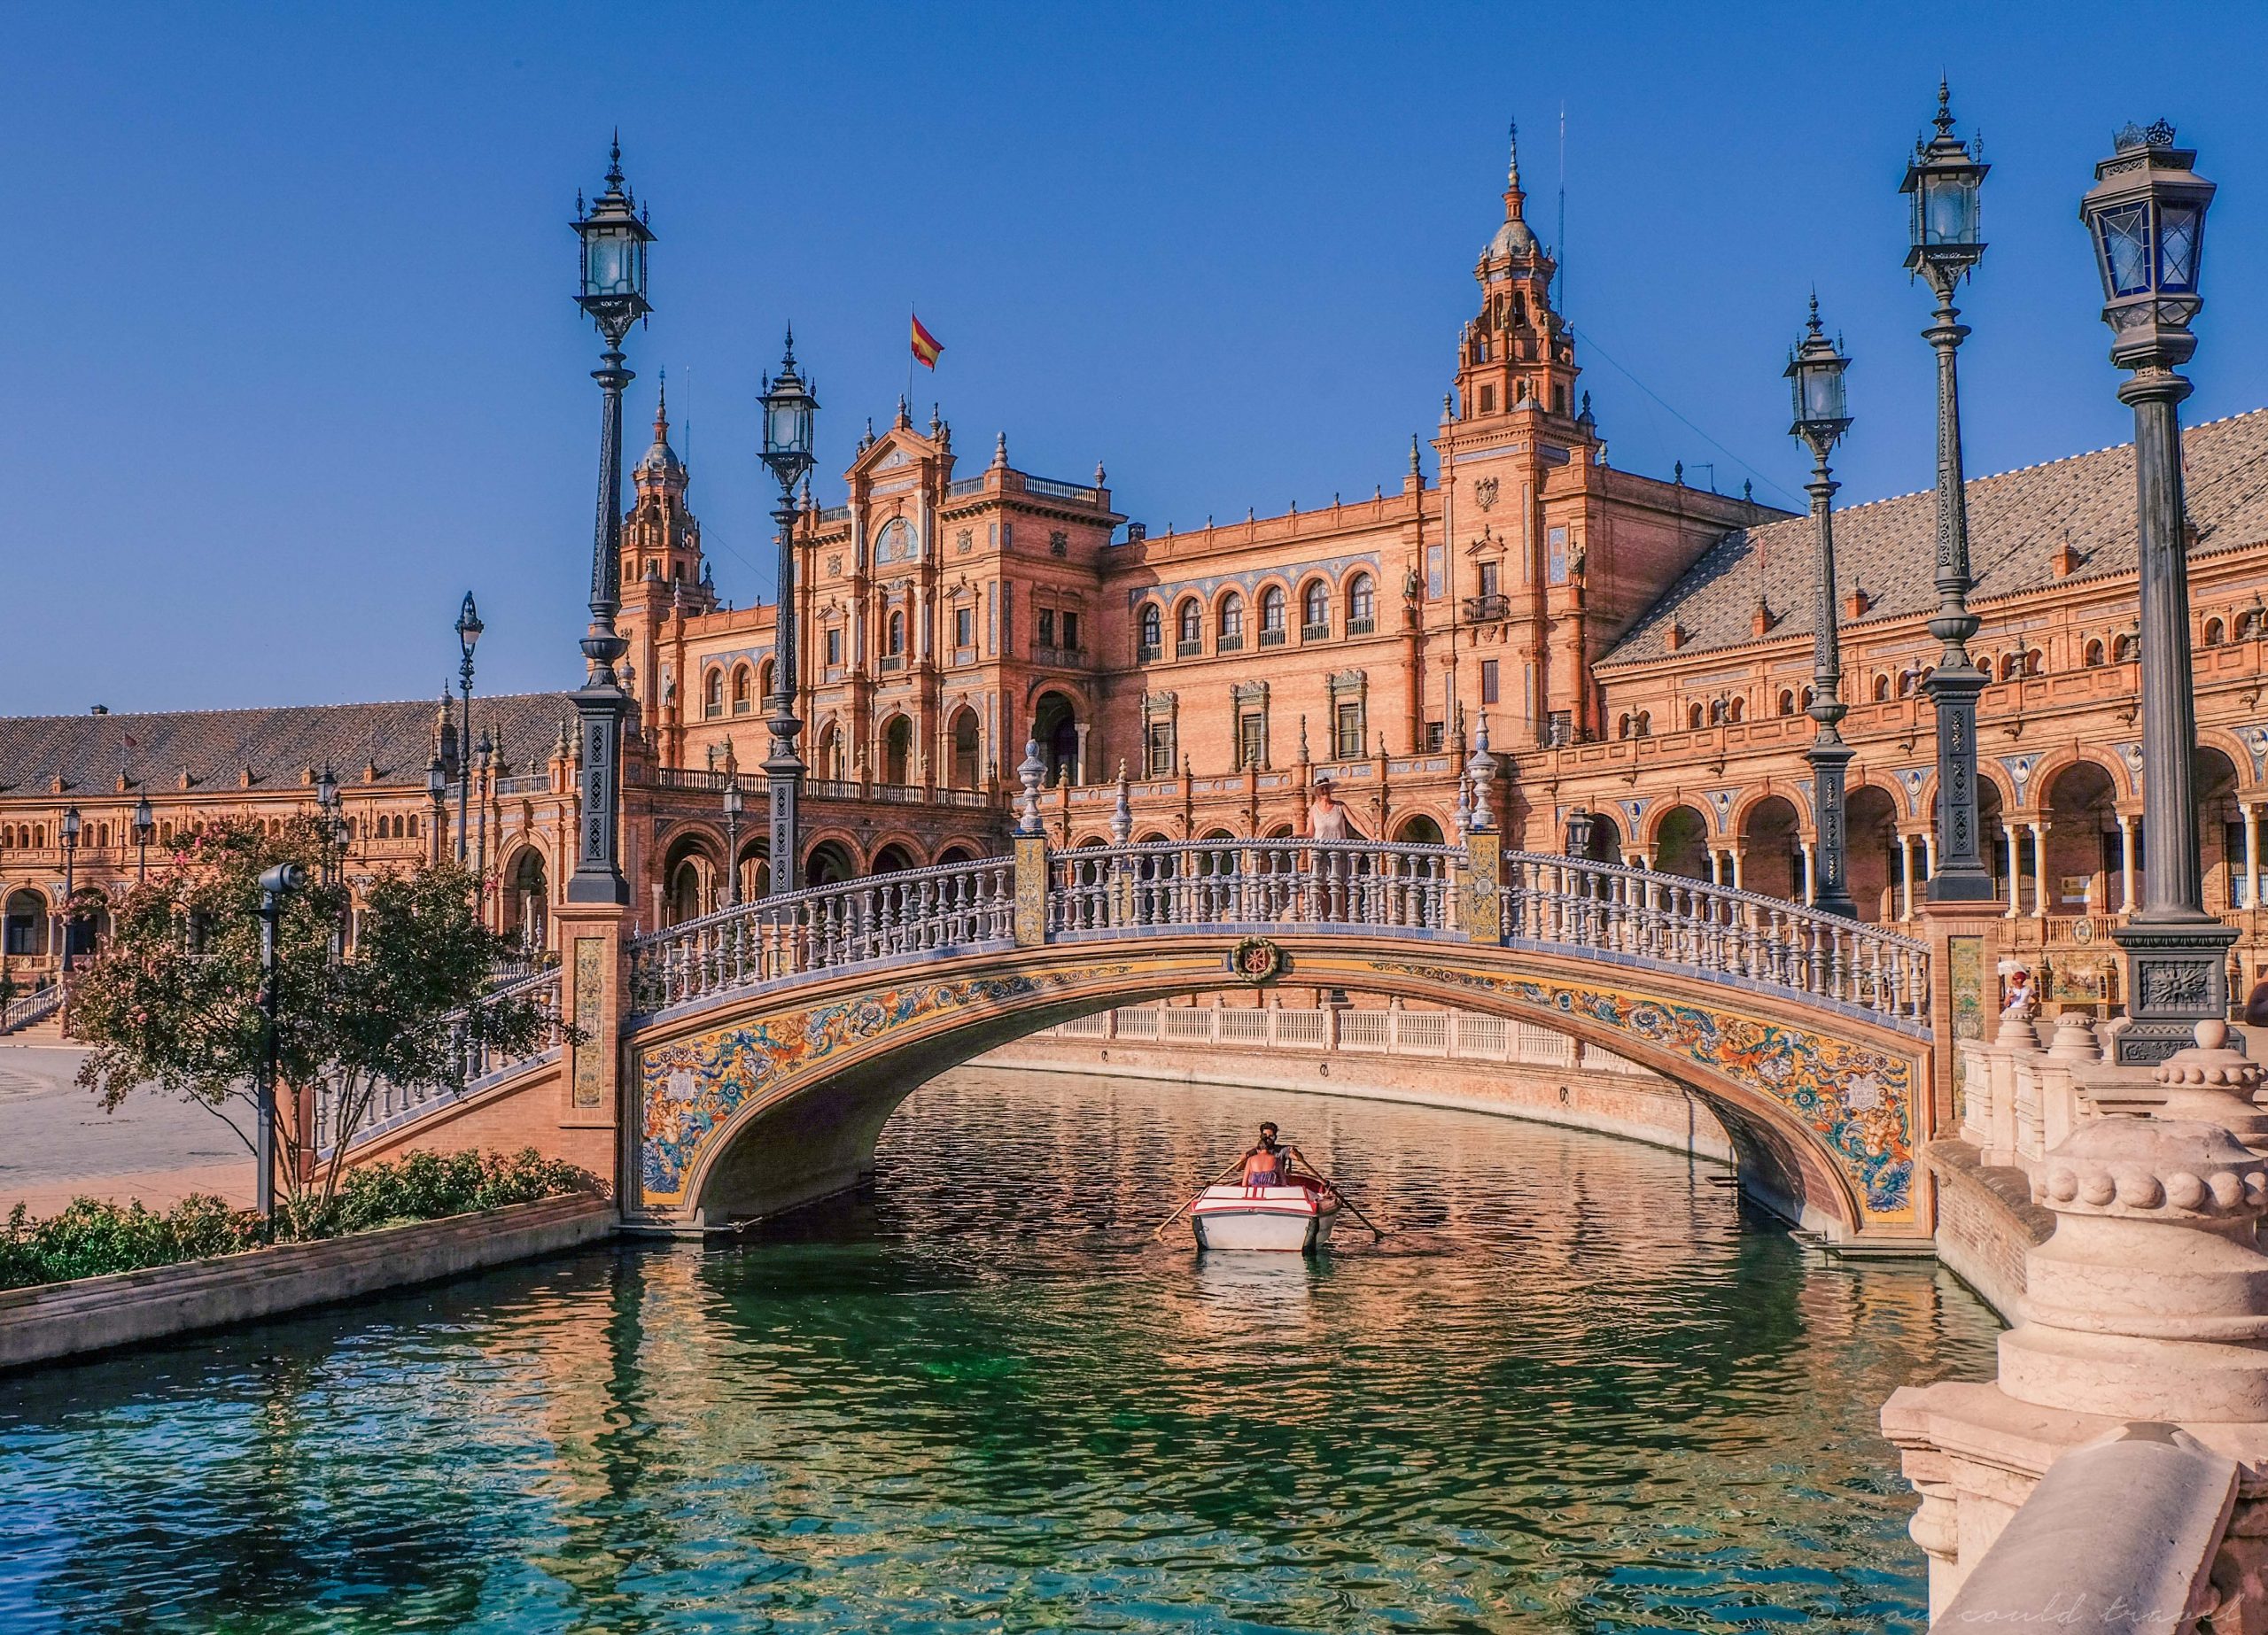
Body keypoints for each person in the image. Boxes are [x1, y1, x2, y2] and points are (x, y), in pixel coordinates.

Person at [1239, 1121, 1314, 1189]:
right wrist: (1243, 1160)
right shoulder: (1254, 1151)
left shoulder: (1282, 1150)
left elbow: (1298, 1158)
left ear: (1275, 1138)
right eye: (1265, 1136)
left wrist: (1296, 1152)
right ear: (1261, 1137)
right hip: (1266, 1187)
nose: (1268, 1138)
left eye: (1271, 1136)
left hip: (1276, 1187)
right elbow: (1238, 1168)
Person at [1307, 777, 1353, 841]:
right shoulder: (1313, 809)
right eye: (1322, 789)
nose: (1325, 791)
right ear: (1317, 793)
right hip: (1320, 849)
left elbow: (1355, 823)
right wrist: (1295, 836)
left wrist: (1370, 837)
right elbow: (1309, 833)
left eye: (1327, 788)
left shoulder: (1340, 806)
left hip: (1338, 848)